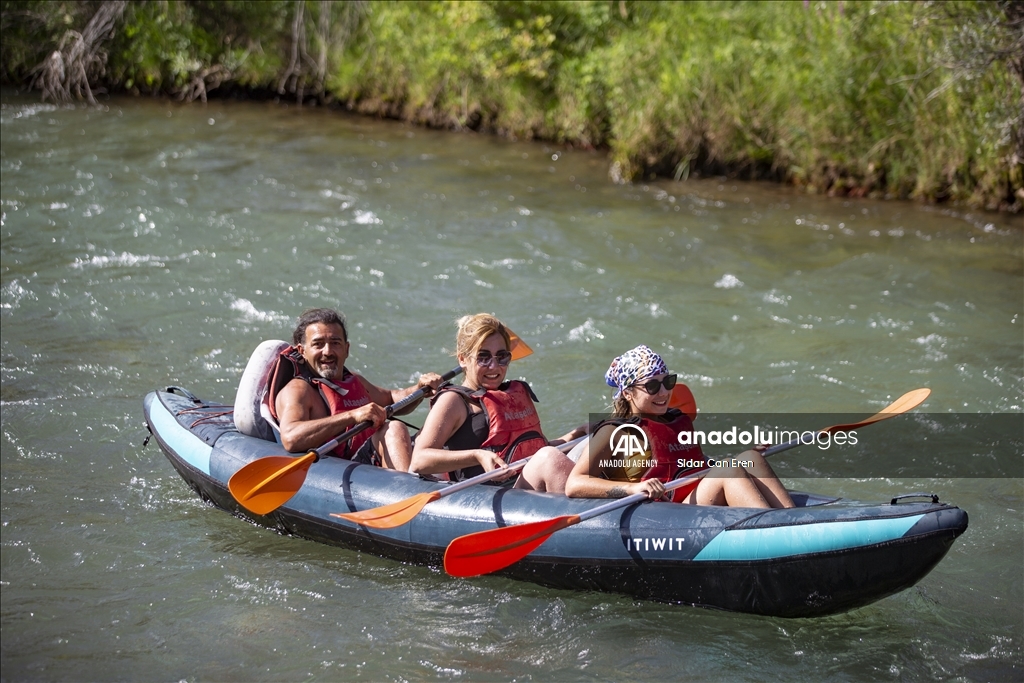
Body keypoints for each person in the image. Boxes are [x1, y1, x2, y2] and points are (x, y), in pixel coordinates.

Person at [565, 345, 794, 508]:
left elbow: (689, 464)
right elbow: (574, 484)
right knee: (730, 470)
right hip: (669, 511)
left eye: (668, 382)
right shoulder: (613, 432)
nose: (664, 392)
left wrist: (739, 459)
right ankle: (775, 536)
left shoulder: (676, 420)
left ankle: (793, 522)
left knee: (750, 458)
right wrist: (631, 489)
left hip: (694, 493)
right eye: (652, 386)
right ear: (628, 393)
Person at [409, 313, 584, 488]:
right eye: (483, 357)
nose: (494, 366)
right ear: (463, 359)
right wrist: (477, 456)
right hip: (485, 497)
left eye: (502, 357)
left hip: (523, 487)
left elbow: (538, 449)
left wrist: (577, 434)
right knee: (549, 459)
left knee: (588, 445)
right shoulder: (453, 401)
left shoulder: (512, 396)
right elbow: (419, 460)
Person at [270, 308, 443, 471]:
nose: (328, 351)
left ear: (346, 349)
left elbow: (391, 398)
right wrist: (352, 415)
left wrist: (419, 389)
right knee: (394, 428)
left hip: (367, 459)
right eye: (318, 344)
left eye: (335, 343)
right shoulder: (298, 390)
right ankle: (408, 488)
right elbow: (291, 438)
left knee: (435, 428)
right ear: (302, 351)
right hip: (338, 471)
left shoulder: (353, 380)